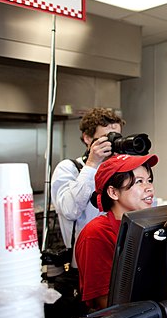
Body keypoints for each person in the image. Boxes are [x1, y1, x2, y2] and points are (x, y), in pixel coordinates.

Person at [75, 153, 158, 311]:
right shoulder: (96, 233)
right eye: (139, 182)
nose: (149, 188)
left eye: (149, 180)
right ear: (113, 192)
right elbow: (105, 302)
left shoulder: (151, 224)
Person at [51, 108, 125, 263]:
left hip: (115, 257)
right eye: (106, 139)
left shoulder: (117, 170)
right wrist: (92, 164)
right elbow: (69, 211)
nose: (112, 144)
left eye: (116, 138)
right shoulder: (69, 168)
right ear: (87, 138)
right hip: (84, 260)